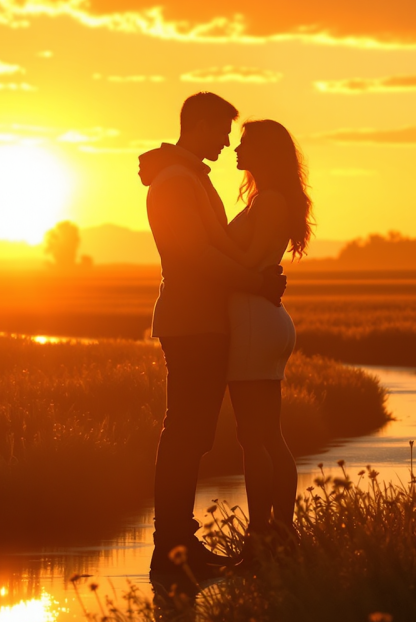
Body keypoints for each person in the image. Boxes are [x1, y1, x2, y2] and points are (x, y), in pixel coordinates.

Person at [138, 93, 287, 583]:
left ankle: (181, 546)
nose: (226, 143)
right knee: (184, 437)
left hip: (205, 324)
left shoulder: (188, 178)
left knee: (191, 438)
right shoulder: (178, 181)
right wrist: (257, 282)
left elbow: (216, 246)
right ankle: (172, 552)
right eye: (222, 131)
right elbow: (197, 255)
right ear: (198, 125)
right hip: (192, 324)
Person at [192, 119, 312, 556]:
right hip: (261, 321)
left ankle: (264, 534)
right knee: (268, 436)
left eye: (244, 144)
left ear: (264, 152)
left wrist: (203, 238)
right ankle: (279, 533)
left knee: (253, 438)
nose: (236, 150)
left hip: (251, 325)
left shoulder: (271, 202)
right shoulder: (269, 200)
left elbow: (245, 261)